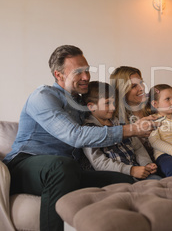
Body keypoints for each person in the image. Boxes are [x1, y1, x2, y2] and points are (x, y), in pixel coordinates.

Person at [2, 45, 157, 231]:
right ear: (59, 75)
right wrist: (130, 130)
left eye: (87, 70)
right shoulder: (43, 96)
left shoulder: (83, 103)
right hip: (26, 166)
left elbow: (107, 113)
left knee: (124, 181)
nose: (86, 77)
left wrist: (141, 117)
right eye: (78, 72)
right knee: (61, 166)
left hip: (68, 171)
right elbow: (74, 136)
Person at [81, 81, 160, 180]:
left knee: (156, 180)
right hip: (115, 176)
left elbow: (138, 147)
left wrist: (147, 164)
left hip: (138, 171)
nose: (113, 107)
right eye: (107, 103)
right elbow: (99, 162)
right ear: (91, 106)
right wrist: (131, 170)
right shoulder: (88, 130)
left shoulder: (120, 123)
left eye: (113, 102)